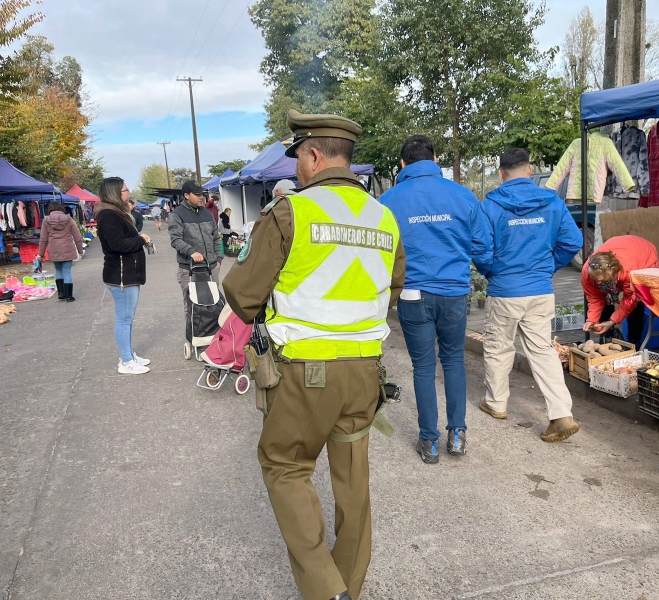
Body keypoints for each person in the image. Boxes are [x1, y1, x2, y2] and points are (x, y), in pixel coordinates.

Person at [223, 109, 406, 600]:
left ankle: (327, 591)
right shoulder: (383, 217)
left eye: (298, 159)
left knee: (285, 465)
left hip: (305, 374)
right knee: (353, 483)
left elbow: (241, 294)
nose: (296, 170)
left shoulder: (291, 212)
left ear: (313, 155)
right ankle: (349, 585)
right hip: (365, 372)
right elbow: (391, 289)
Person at [379, 135, 484, 463]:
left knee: (423, 366)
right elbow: (482, 246)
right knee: (453, 361)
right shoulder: (462, 195)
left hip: (412, 294)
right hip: (453, 292)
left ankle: (430, 442)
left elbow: (381, 252)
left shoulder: (388, 201)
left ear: (402, 164)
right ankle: (457, 435)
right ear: (435, 159)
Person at [474, 148, 583, 443]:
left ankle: (496, 403)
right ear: (530, 170)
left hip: (505, 290)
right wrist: (548, 266)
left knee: (499, 346)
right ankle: (561, 414)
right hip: (539, 290)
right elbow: (573, 240)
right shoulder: (551, 202)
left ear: (501, 174)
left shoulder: (490, 206)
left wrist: (492, 271)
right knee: (542, 350)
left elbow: (481, 250)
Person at [95, 177, 152, 375]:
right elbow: (117, 244)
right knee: (124, 319)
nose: (128, 193)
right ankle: (126, 361)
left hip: (127, 273)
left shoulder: (115, 213)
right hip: (120, 275)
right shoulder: (108, 215)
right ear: (115, 193)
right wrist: (140, 240)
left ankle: (128, 355)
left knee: (127, 318)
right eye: (125, 190)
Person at [582, 235, 658, 346]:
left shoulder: (630, 272)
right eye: (596, 280)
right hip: (622, 247)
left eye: (602, 280)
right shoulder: (587, 272)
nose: (598, 283)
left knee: (637, 303)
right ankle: (608, 338)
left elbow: (630, 301)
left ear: (613, 272)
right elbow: (594, 297)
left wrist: (613, 321)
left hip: (644, 254)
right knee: (603, 294)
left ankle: (634, 342)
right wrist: (591, 320)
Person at [168, 180, 224, 327]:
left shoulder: (207, 213)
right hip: (189, 269)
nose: (201, 197)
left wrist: (218, 259)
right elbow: (175, 240)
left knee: (213, 303)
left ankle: (213, 337)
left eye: (202, 194)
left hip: (211, 267)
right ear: (186, 195)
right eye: (197, 194)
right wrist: (192, 252)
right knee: (192, 305)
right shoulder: (177, 214)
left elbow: (216, 237)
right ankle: (194, 338)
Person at [38, 201, 84, 302]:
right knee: (67, 272)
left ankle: (61, 294)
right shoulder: (69, 219)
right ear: (61, 208)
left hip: (54, 249)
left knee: (58, 271)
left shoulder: (46, 221)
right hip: (67, 248)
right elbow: (77, 236)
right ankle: (69, 296)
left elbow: (43, 239)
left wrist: (40, 254)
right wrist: (80, 250)